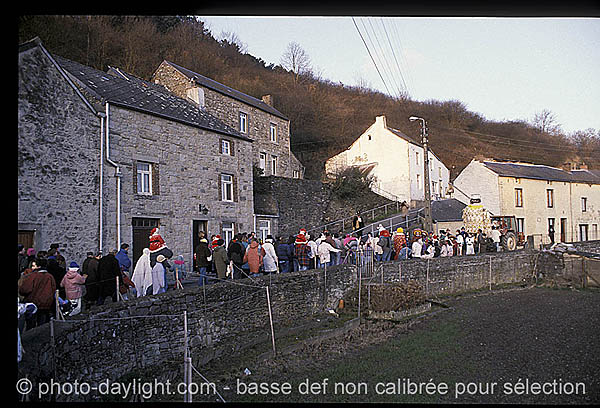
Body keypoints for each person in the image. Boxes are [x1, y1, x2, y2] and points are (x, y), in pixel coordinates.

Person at [18, 257, 56, 330]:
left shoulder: (32, 276)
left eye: (34, 266)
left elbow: (24, 290)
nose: (32, 268)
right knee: (41, 326)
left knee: (31, 326)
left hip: (33, 303)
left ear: (38, 266)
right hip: (45, 305)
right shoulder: (50, 277)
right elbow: (53, 289)